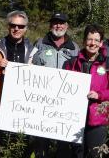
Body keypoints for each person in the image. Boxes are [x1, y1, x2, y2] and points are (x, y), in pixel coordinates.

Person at [0, 10, 35, 157]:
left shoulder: (33, 52)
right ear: (8, 26)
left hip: (22, 107)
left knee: (19, 147)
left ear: (26, 28)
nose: (16, 29)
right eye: (13, 25)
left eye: (20, 26)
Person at [63, 25, 109, 157]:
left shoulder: (108, 63)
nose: (92, 43)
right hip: (74, 118)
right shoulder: (71, 63)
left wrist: (99, 95)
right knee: (76, 154)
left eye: (96, 40)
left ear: (101, 43)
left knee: (94, 154)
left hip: (98, 119)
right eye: (89, 39)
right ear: (83, 41)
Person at [30, 12, 79, 157]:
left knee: (63, 143)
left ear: (67, 26)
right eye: (55, 22)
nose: (58, 25)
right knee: (41, 141)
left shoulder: (74, 47)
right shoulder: (39, 43)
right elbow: (30, 65)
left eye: (62, 22)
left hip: (65, 102)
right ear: (50, 25)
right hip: (42, 100)